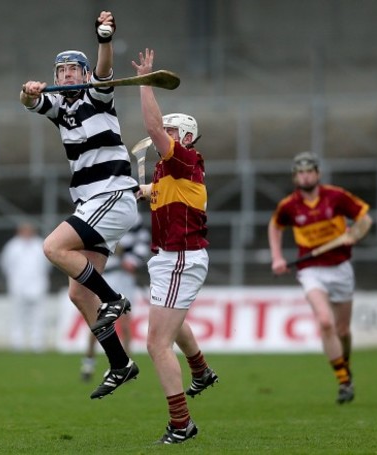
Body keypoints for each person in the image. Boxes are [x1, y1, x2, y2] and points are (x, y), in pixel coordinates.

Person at [20, 11, 140, 399]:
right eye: (62, 70)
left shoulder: (97, 98)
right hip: (92, 202)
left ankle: (114, 298)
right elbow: (29, 103)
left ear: (85, 75)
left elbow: (105, 70)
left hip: (111, 196)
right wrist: (29, 92)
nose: (67, 75)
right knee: (77, 294)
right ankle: (120, 363)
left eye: (74, 69)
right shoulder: (62, 110)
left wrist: (104, 38)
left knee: (53, 247)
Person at [132, 48, 218, 445]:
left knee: (155, 343)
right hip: (170, 258)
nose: (161, 134)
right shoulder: (170, 173)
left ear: (184, 136)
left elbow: (151, 131)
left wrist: (145, 83)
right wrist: (129, 190)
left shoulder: (186, 158)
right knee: (171, 325)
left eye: (170, 130)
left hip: (180, 257)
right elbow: (148, 190)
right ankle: (200, 370)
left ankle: (182, 424)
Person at [268, 151, 372, 404]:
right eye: (300, 172)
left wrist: (355, 234)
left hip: (341, 267)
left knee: (343, 330)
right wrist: (277, 258)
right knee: (325, 322)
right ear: (296, 177)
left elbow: (365, 219)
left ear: (317, 174)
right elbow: (275, 227)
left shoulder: (336, 196)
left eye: (309, 171)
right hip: (311, 270)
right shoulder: (289, 206)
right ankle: (344, 381)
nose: (305, 176)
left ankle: (344, 365)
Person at [80, 213, 151, 381]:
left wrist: (132, 260)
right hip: (107, 275)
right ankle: (88, 362)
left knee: (125, 323)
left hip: (125, 276)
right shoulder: (103, 211)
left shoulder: (134, 217)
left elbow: (143, 242)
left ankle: (126, 366)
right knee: (100, 321)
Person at [0, 222, 51, 352]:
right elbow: (5, 266)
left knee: (38, 315)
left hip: (38, 285)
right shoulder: (12, 246)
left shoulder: (40, 244)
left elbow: (47, 265)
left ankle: (37, 343)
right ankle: (17, 343)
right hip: (18, 285)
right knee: (17, 315)